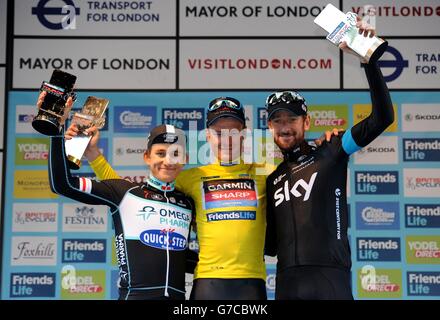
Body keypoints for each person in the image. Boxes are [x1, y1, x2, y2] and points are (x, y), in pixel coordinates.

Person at [81, 97, 274, 299]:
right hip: (208, 282)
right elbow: (128, 194)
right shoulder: (190, 177)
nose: (227, 139)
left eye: (234, 132)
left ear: (244, 134)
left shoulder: (265, 174)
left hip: (252, 283)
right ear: (208, 136)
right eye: (218, 133)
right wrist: (94, 156)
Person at [264, 21, 394, 299]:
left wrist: (369, 61)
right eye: (277, 120)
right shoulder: (272, 179)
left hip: (330, 278)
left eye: (292, 119)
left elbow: (382, 119)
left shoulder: (331, 149)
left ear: (306, 121)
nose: (285, 126)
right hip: (286, 282)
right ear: (270, 127)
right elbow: (269, 246)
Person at [43, 90, 196, 300]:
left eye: (175, 154)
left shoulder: (188, 203)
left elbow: (187, 258)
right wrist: (57, 131)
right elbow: (63, 185)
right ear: (146, 157)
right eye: (160, 153)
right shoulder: (125, 192)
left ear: (185, 159)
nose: (168, 161)